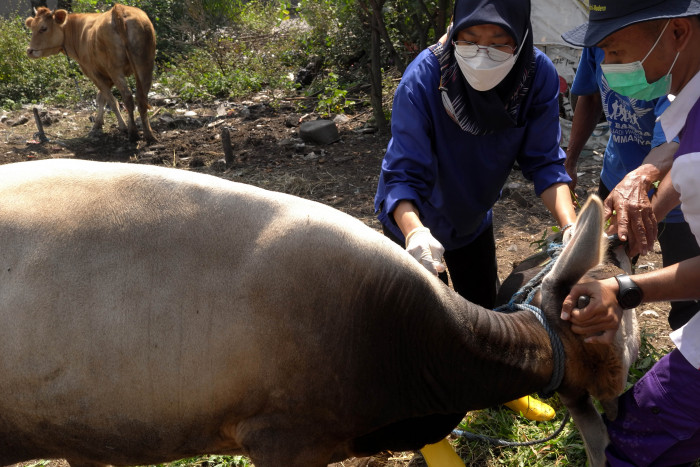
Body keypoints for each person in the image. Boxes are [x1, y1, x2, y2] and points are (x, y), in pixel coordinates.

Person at [561, 1, 700, 464]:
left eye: (617, 52)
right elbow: (682, 152)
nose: (610, 67)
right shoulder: (690, 109)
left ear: (677, 33)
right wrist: (650, 199)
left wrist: (623, 289)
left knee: (627, 443)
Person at [374, 0, 576, 312]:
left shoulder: (535, 77)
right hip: (412, 218)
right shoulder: (425, 78)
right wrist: (414, 232)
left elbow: (545, 162)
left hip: (472, 220)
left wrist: (571, 226)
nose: (481, 54)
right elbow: (403, 175)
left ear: (521, 40)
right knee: (426, 319)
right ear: (454, 31)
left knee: (483, 312)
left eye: (498, 44)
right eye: (469, 41)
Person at [565, 45, 700, 330]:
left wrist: (640, 181)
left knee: (688, 305)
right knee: (600, 274)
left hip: (674, 199)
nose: (610, 60)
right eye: (606, 52)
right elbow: (588, 97)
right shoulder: (597, 42)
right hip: (617, 183)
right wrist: (570, 160)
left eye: (618, 49)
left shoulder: (676, 70)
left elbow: (673, 144)